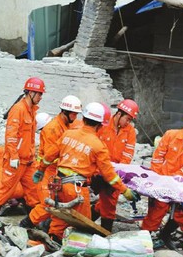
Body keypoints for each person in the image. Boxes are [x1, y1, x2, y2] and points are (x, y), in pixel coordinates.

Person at [33, 102, 139, 242]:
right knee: (84, 225)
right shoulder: (98, 145)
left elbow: (49, 156)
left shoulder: (68, 134)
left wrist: (40, 170)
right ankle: (77, 249)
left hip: (58, 184)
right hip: (77, 188)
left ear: (83, 119)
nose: (128, 122)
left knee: (59, 221)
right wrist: (125, 191)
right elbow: (109, 174)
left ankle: (45, 245)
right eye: (128, 118)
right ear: (100, 125)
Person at [141, 109, 183, 233]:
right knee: (155, 213)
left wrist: (171, 181)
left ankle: (167, 235)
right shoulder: (170, 135)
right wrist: (158, 178)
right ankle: (144, 238)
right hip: (160, 180)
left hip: (177, 184)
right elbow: (158, 157)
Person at [21, 95, 82, 228]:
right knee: (47, 203)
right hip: (48, 172)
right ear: (65, 112)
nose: (75, 117)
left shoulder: (65, 126)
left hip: (58, 172)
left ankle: (51, 230)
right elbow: (50, 156)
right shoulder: (52, 129)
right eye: (74, 114)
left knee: (59, 202)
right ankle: (25, 224)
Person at [0, 77, 45, 218]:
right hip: (15, 161)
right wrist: (13, 156)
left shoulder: (31, 110)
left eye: (41, 94)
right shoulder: (18, 109)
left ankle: (30, 223)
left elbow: (29, 138)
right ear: (30, 92)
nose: (40, 97)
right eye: (39, 94)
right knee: (2, 193)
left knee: (33, 192)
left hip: (27, 161)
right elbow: (11, 136)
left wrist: (32, 156)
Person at [92, 99, 138, 232]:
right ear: (119, 114)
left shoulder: (130, 132)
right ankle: (99, 229)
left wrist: (117, 171)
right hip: (98, 170)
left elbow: (128, 154)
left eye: (130, 120)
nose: (128, 122)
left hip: (116, 172)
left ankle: (99, 227)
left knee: (109, 202)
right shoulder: (104, 125)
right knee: (107, 204)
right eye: (128, 119)